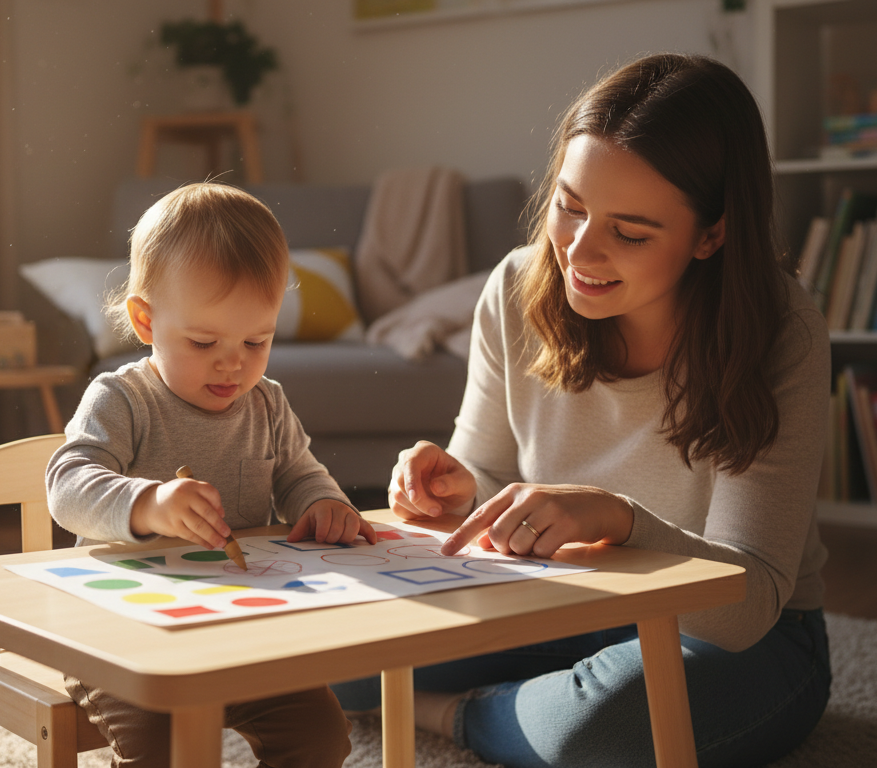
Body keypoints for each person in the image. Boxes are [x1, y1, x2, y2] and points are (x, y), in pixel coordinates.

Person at [331, 53, 832, 768]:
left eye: (630, 232)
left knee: (601, 732)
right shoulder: (514, 288)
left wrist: (621, 520)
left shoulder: (781, 332)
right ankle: (532, 700)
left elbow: (748, 602)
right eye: (569, 205)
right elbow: (486, 470)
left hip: (741, 637)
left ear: (711, 234)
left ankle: (456, 714)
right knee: (329, 654)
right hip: (555, 598)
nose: (579, 250)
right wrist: (455, 483)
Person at [47, 182, 375, 768]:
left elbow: (300, 473)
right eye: (203, 342)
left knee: (321, 734)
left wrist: (322, 502)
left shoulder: (267, 403)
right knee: (167, 751)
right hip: (123, 637)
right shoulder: (122, 398)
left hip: (244, 631)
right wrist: (146, 503)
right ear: (146, 322)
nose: (233, 362)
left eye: (257, 340)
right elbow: (67, 483)